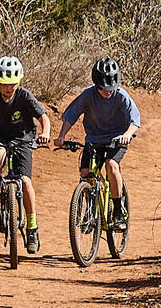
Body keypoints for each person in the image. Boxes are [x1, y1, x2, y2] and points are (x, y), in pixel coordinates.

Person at [0, 55, 51, 253]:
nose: (9, 88)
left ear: (19, 80)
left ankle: (32, 228)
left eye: (12, 83)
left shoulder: (24, 96)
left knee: (25, 182)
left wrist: (45, 132)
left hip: (24, 138)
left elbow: (44, 118)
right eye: (5, 84)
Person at [59, 58, 142, 235]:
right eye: (103, 88)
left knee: (112, 165)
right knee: (85, 173)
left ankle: (119, 211)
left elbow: (135, 120)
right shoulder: (88, 95)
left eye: (110, 88)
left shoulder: (122, 96)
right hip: (93, 140)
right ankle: (90, 210)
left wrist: (127, 135)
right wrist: (61, 136)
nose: (106, 92)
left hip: (117, 140)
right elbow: (70, 115)